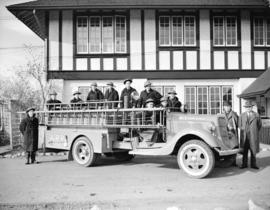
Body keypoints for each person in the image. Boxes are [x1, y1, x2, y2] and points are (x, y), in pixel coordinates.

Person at [239, 100, 262, 169]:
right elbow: (239, 125)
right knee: (245, 150)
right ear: (245, 108)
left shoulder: (256, 115)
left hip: (253, 135)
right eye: (247, 107)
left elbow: (259, 125)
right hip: (245, 136)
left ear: (252, 107)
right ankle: (244, 164)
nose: (248, 108)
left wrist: (254, 131)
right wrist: (244, 129)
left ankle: (253, 165)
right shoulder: (242, 115)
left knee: (253, 150)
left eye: (249, 107)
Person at [223, 101, 239, 166]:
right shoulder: (221, 114)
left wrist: (231, 127)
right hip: (224, 133)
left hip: (232, 133)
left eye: (228, 106)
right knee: (226, 147)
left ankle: (234, 163)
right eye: (225, 107)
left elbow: (238, 123)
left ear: (230, 107)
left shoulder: (234, 114)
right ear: (223, 107)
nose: (227, 108)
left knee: (234, 147)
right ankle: (227, 162)